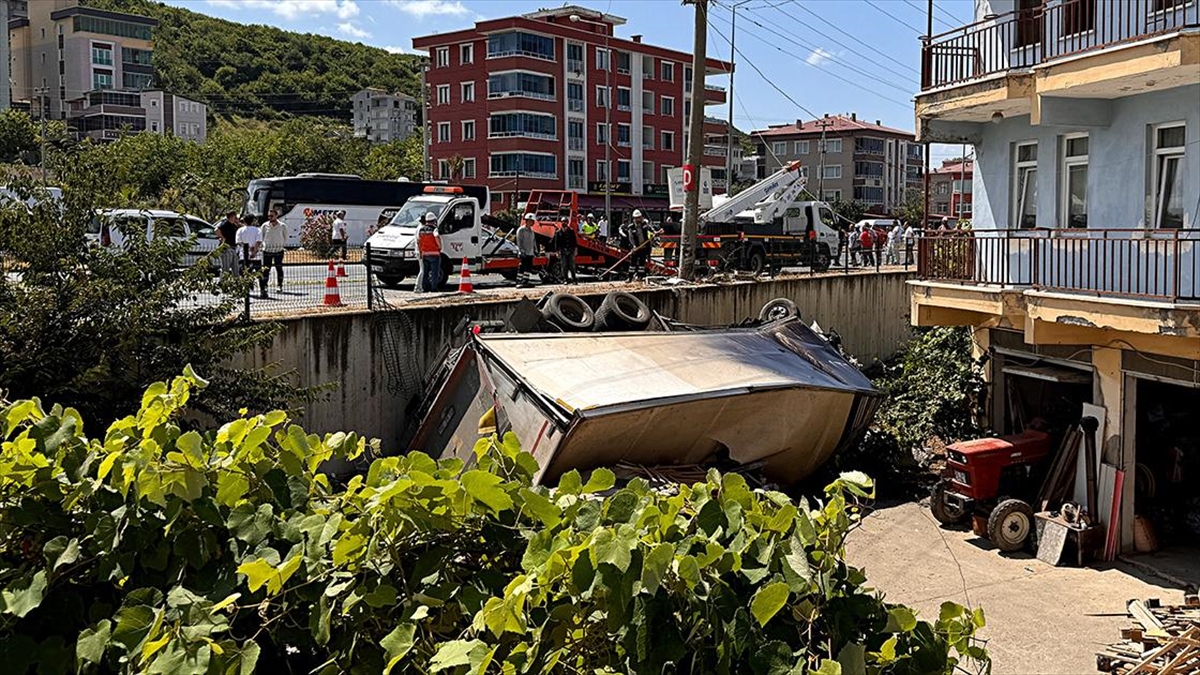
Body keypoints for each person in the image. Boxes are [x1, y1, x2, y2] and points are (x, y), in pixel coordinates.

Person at [235, 215, 268, 299]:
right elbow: (258, 241)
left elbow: (239, 242)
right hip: (257, 256)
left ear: (244, 221)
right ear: (253, 221)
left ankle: (245, 289)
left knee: (244, 273)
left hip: (244, 255)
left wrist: (248, 248)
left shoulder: (240, 230)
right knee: (260, 274)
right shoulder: (257, 230)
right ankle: (263, 290)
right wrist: (254, 251)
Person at [261, 209, 287, 292]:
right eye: (269, 216)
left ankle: (279, 285)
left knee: (279, 268)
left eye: (271, 216)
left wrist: (280, 244)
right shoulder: (265, 225)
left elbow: (285, 237)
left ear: (276, 216)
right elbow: (261, 237)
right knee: (266, 269)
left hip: (278, 250)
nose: (270, 217)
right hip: (267, 250)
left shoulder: (282, 226)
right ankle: (265, 285)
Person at [417, 211, 442, 292]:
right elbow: (437, 236)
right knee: (434, 273)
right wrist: (439, 246)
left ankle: (425, 288)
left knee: (425, 272)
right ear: (433, 220)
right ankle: (434, 288)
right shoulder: (434, 229)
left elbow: (418, 241)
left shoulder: (421, 230)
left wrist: (420, 252)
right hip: (434, 253)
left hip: (425, 253)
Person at [516, 213, 537, 288]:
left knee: (528, 267)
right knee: (522, 266)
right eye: (532, 221)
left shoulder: (532, 231)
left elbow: (533, 241)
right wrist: (521, 251)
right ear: (527, 221)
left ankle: (525, 281)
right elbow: (519, 241)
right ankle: (519, 281)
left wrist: (535, 250)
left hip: (530, 252)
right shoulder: (521, 230)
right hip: (524, 252)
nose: (533, 223)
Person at [628, 209, 650, 280]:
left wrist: (656, 232)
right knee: (633, 263)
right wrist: (634, 245)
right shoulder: (631, 227)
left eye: (639, 218)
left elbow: (651, 230)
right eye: (636, 218)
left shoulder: (645, 226)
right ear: (634, 219)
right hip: (636, 248)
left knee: (642, 263)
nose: (638, 220)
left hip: (644, 247)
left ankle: (640, 277)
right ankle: (630, 277)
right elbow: (631, 238)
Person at [217, 211, 240, 277]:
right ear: (231, 216)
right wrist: (222, 237)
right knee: (225, 268)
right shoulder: (225, 224)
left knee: (235, 267)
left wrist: (238, 222)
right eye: (235, 216)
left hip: (234, 247)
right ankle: (223, 282)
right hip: (227, 248)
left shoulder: (234, 225)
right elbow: (216, 230)